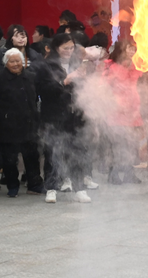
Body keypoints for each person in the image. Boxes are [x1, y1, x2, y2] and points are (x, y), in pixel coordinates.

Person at [35, 33, 91, 203]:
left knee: (76, 151)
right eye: (65, 48)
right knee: (52, 151)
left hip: (74, 116)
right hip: (53, 115)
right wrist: (65, 81)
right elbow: (43, 91)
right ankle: (51, 188)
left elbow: (84, 90)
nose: (68, 51)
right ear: (56, 48)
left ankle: (79, 187)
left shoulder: (77, 64)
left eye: (71, 47)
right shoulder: (46, 66)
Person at [0, 49, 44, 197]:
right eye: (12, 61)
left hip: (29, 125)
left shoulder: (30, 77)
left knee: (32, 157)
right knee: (10, 159)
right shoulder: (1, 78)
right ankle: (13, 186)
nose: (16, 64)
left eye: (18, 61)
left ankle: (35, 184)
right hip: (8, 126)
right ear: (6, 63)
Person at [103, 39, 143, 185]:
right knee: (117, 145)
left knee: (132, 145)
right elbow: (105, 88)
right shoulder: (110, 67)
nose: (132, 52)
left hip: (133, 112)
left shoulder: (136, 67)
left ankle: (129, 173)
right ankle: (113, 174)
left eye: (134, 49)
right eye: (129, 49)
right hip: (116, 113)